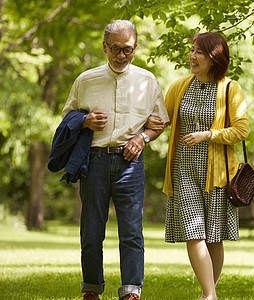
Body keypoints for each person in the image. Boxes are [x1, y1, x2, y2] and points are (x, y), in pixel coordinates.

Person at [61, 20, 169, 300]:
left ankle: (131, 290)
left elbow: (160, 122)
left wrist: (142, 138)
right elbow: (67, 118)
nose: (122, 56)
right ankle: (92, 288)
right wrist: (84, 120)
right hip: (94, 161)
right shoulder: (86, 80)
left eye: (128, 50)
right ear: (104, 47)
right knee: (91, 232)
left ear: (135, 47)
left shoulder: (147, 81)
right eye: (116, 49)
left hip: (130, 165)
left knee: (132, 231)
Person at [149, 32, 249, 300]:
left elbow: (241, 130)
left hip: (217, 174)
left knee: (214, 237)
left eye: (199, 52)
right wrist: (139, 130)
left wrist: (208, 135)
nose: (192, 56)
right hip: (183, 170)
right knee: (194, 232)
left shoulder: (231, 88)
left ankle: (208, 294)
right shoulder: (179, 86)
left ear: (214, 58)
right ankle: (210, 295)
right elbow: (162, 120)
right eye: (192, 50)